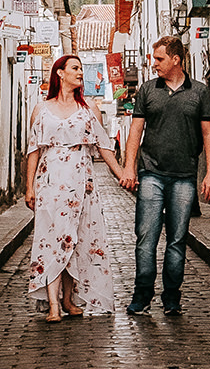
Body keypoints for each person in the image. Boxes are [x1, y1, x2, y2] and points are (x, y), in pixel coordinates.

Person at [25, 53, 134, 321]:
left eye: (81, 69)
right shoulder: (41, 109)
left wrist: (122, 173)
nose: (80, 73)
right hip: (50, 182)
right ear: (60, 73)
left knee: (74, 239)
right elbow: (33, 150)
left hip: (80, 183)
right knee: (51, 239)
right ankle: (53, 305)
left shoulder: (89, 109)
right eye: (75, 68)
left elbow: (104, 146)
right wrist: (29, 187)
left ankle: (68, 299)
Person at [122, 34, 210, 318]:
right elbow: (135, 131)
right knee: (146, 237)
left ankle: (172, 297)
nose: (154, 64)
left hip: (184, 176)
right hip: (151, 173)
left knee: (177, 240)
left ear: (176, 59)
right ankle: (142, 295)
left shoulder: (199, 92)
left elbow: (209, 133)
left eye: (159, 59)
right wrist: (129, 167)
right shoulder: (147, 90)